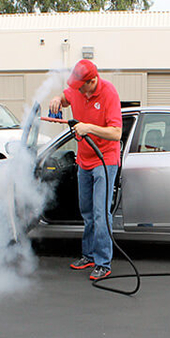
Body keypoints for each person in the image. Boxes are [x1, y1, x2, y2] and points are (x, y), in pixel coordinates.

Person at [49, 60, 122, 280]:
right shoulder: (76, 89)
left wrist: (88, 127)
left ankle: (103, 263)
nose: (78, 90)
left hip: (104, 160)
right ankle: (89, 255)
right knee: (87, 212)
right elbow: (65, 96)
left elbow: (116, 133)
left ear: (92, 81)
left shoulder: (109, 93)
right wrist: (57, 100)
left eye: (81, 86)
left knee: (101, 213)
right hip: (84, 160)